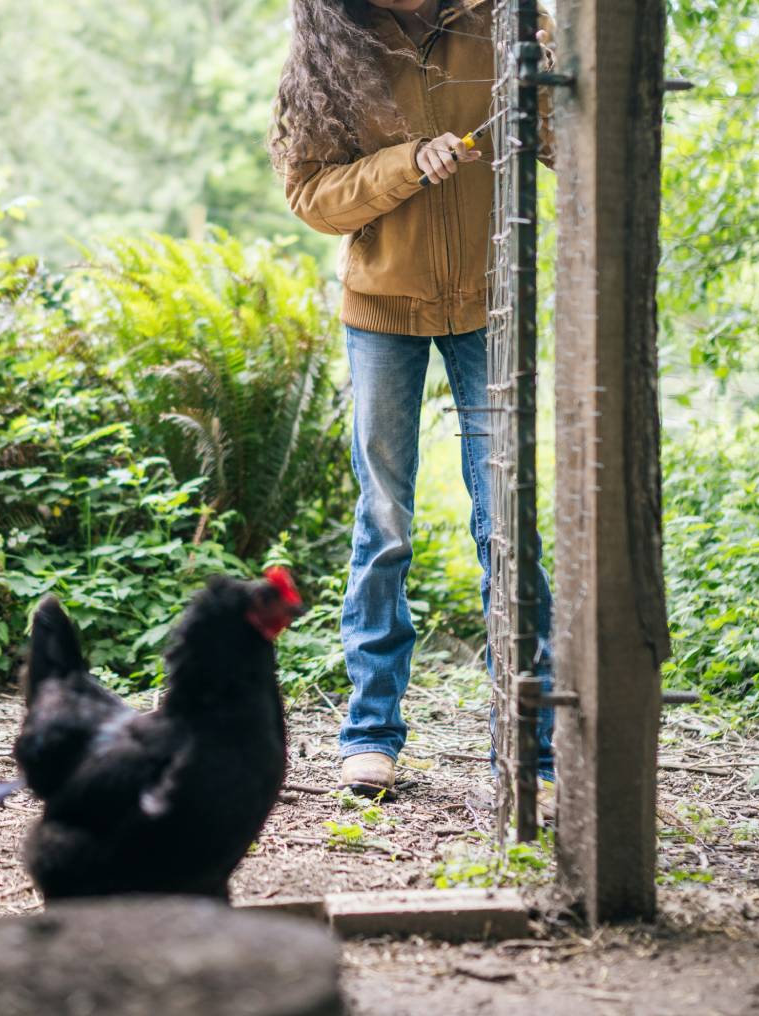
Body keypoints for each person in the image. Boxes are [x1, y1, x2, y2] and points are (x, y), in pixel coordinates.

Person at [269, 0, 556, 805]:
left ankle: (532, 743)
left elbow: (569, 150)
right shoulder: (334, 45)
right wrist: (405, 162)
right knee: (384, 520)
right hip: (381, 315)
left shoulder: (500, 19)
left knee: (507, 515)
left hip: (489, 304)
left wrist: (554, 73)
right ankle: (369, 735)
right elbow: (310, 195)